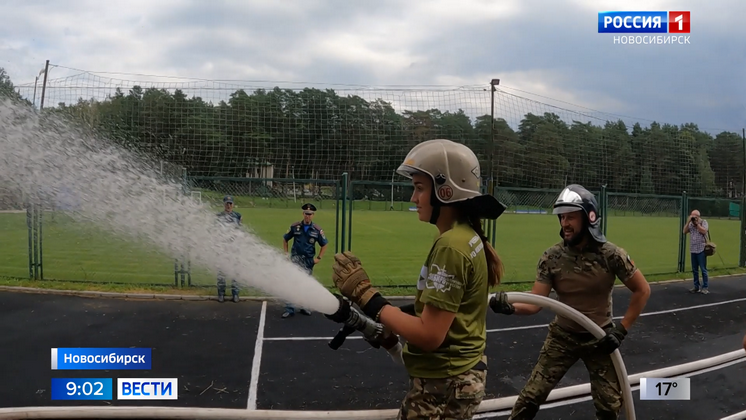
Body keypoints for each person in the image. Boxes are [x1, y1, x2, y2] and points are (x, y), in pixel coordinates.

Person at [327, 139, 507, 420]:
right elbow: (446, 311)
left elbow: (430, 335)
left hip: (444, 384)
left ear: (445, 191)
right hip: (457, 377)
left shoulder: (451, 245)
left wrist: (366, 296)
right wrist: (391, 319)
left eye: (420, 188)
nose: (413, 198)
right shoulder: (465, 235)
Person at [489, 184, 651, 420]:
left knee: (609, 406)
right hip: (562, 337)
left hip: (600, 338)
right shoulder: (552, 257)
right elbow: (535, 303)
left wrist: (621, 330)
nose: (565, 223)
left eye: (571, 217)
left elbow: (642, 290)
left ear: (589, 218)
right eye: (562, 217)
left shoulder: (611, 255)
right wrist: (509, 307)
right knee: (529, 398)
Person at [282, 203, 329, 318]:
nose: (308, 216)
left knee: (305, 284)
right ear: (303, 214)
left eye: (310, 214)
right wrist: (286, 254)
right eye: (306, 214)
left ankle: (304, 307)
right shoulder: (295, 226)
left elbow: (324, 244)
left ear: (313, 215)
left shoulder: (317, 230)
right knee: (292, 283)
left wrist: (318, 258)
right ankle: (290, 308)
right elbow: (285, 239)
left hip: (308, 261)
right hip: (295, 259)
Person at [216, 195, 242, 303]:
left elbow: (240, 230)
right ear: (224, 204)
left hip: (234, 247)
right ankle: (221, 293)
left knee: (235, 271)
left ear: (233, 205)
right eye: (227, 203)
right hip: (223, 247)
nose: (229, 205)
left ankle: (235, 294)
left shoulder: (237, 216)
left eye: (230, 203)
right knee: (222, 271)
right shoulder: (219, 216)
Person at [683, 209, 710, 294]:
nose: (693, 218)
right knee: (695, 270)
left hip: (701, 249)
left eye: (695, 216)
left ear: (698, 216)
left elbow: (704, 231)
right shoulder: (690, 223)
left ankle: (705, 287)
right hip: (693, 249)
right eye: (692, 216)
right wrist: (688, 222)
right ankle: (696, 286)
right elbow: (684, 231)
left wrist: (697, 224)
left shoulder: (703, 222)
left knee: (703, 269)